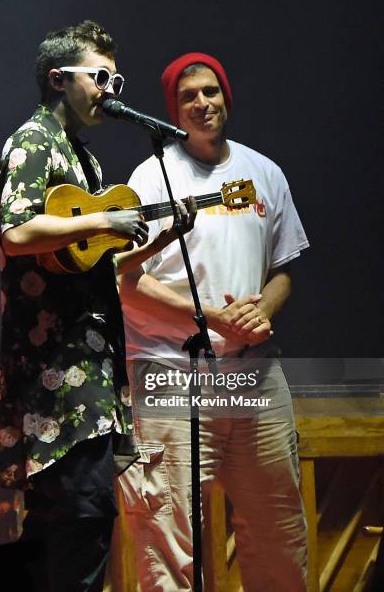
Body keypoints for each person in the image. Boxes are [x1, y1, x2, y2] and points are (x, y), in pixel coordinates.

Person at [0, 22, 195, 592]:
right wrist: (106, 218)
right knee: (78, 519)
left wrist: (156, 240)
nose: (112, 90)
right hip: (56, 376)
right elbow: (17, 231)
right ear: (60, 79)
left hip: (92, 374)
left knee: (80, 523)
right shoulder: (32, 141)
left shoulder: (85, 161)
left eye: (116, 78)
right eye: (101, 77)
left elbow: (96, 266)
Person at [116, 53, 310, 591]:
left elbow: (285, 270)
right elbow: (125, 282)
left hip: (254, 374)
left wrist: (260, 310)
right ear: (172, 111)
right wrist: (208, 316)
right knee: (170, 545)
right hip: (172, 372)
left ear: (226, 96)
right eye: (188, 97)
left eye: (211, 91)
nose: (202, 103)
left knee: (278, 535)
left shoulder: (263, 172)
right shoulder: (151, 176)